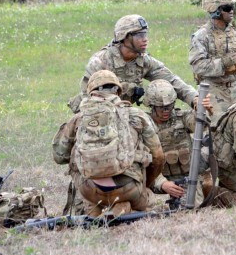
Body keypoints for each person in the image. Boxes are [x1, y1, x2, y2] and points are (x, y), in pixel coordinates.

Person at [53, 70, 164, 216]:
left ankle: (92, 207)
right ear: (118, 91)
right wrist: (146, 185)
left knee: (75, 159)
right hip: (128, 189)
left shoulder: (79, 118)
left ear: (91, 92)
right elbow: (158, 157)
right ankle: (122, 206)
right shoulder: (136, 115)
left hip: (89, 190)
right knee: (148, 199)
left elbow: (59, 156)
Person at [68, 14, 199, 113]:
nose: (145, 39)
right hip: (97, 114)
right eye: (139, 35)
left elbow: (172, 80)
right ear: (124, 37)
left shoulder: (144, 61)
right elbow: (87, 99)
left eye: (146, 34)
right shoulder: (101, 62)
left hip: (125, 112)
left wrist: (194, 98)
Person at [142, 79, 214, 208]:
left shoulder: (182, 118)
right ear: (151, 105)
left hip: (186, 180)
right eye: (161, 107)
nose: (166, 111)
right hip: (155, 182)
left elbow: (199, 124)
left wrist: (203, 109)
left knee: (190, 209)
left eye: (169, 106)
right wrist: (162, 184)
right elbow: (142, 165)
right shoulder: (143, 125)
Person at [189, 0, 236, 120]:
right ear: (216, 10)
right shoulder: (202, 36)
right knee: (218, 127)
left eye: (233, 7)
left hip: (234, 89)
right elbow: (198, 66)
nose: (232, 11)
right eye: (227, 8)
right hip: (213, 91)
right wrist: (222, 63)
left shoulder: (234, 33)